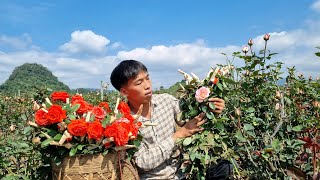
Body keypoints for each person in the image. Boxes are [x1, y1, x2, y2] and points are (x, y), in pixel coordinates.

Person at [110, 60, 226, 180]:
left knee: (223, 167)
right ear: (124, 92)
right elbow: (142, 162)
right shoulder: (123, 122)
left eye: (147, 78)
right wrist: (177, 136)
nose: (147, 85)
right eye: (139, 83)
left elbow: (190, 121)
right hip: (154, 178)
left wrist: (212, 110)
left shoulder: (166, 101)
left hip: (181, 173)